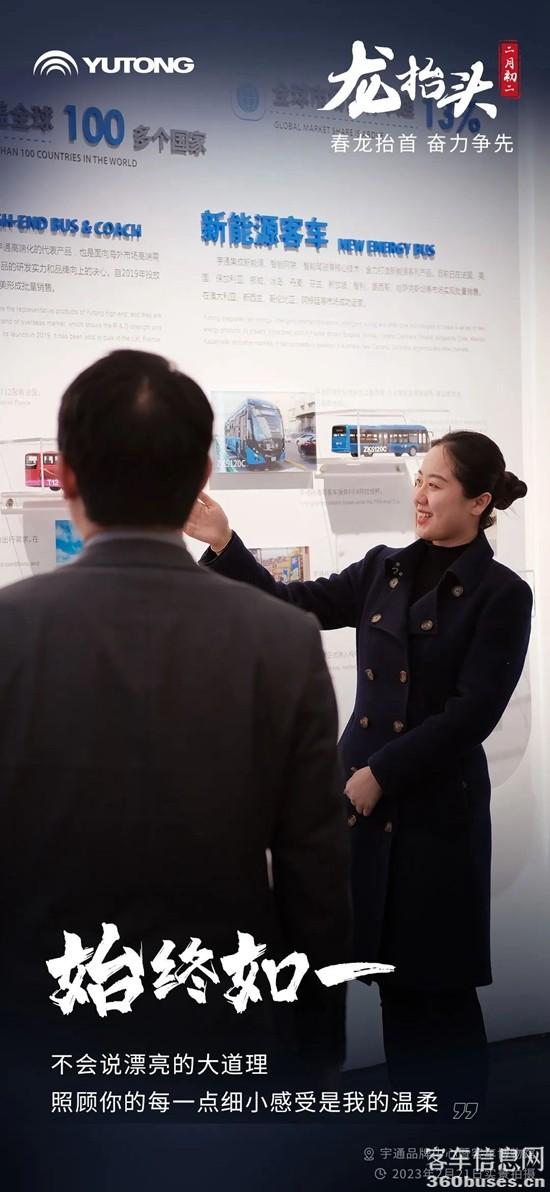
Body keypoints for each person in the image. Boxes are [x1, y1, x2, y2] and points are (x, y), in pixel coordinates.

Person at [0, 349, 352, 1146]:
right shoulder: (282, 638)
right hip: (223, 1033)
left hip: (37, 1038)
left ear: (67, 475)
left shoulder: (10, 632)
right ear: (202, 474)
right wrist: (317, 1051)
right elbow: (316, 873)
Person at [186, 430, 532, 1103]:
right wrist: (226, 543)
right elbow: (292, 606)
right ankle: (413, 1126)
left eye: (437, 483)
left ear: (479, 501)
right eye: (419, 479)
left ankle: (456, 1129)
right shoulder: (383, 568)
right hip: (364, 808)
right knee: (391, 982)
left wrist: (381, 774)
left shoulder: (503, 593)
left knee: (439, 990)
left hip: (433, 811)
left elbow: (473, 713)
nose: (420, 495)